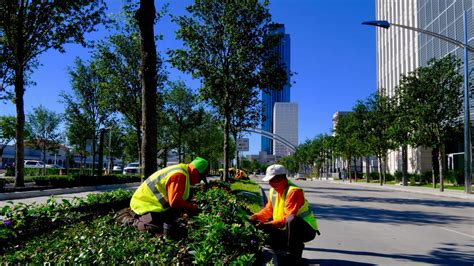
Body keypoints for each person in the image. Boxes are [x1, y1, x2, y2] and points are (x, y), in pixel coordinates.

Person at [118, 157, 210, 234]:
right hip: (144, 204)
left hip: (153, 204)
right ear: (194, 170)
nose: (199, 181)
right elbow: (175, 202)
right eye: (200, 178)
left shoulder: (184, 172)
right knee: (153, 229)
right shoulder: (180, 175)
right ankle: (127, 219)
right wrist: (191, 207)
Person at [249, 164, 320, 262]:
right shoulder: (273, 191)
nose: (270, 183)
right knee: (265, 232)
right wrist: (256, 216)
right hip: (285, 228)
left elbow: (287, 218)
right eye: (269, 180)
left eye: (272, 180)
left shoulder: (293, 191)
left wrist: (268, 224)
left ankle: (294, 254)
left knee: (291, 219)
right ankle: (280, 250)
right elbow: (268, 210)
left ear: (282, 177)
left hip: (305, 230)